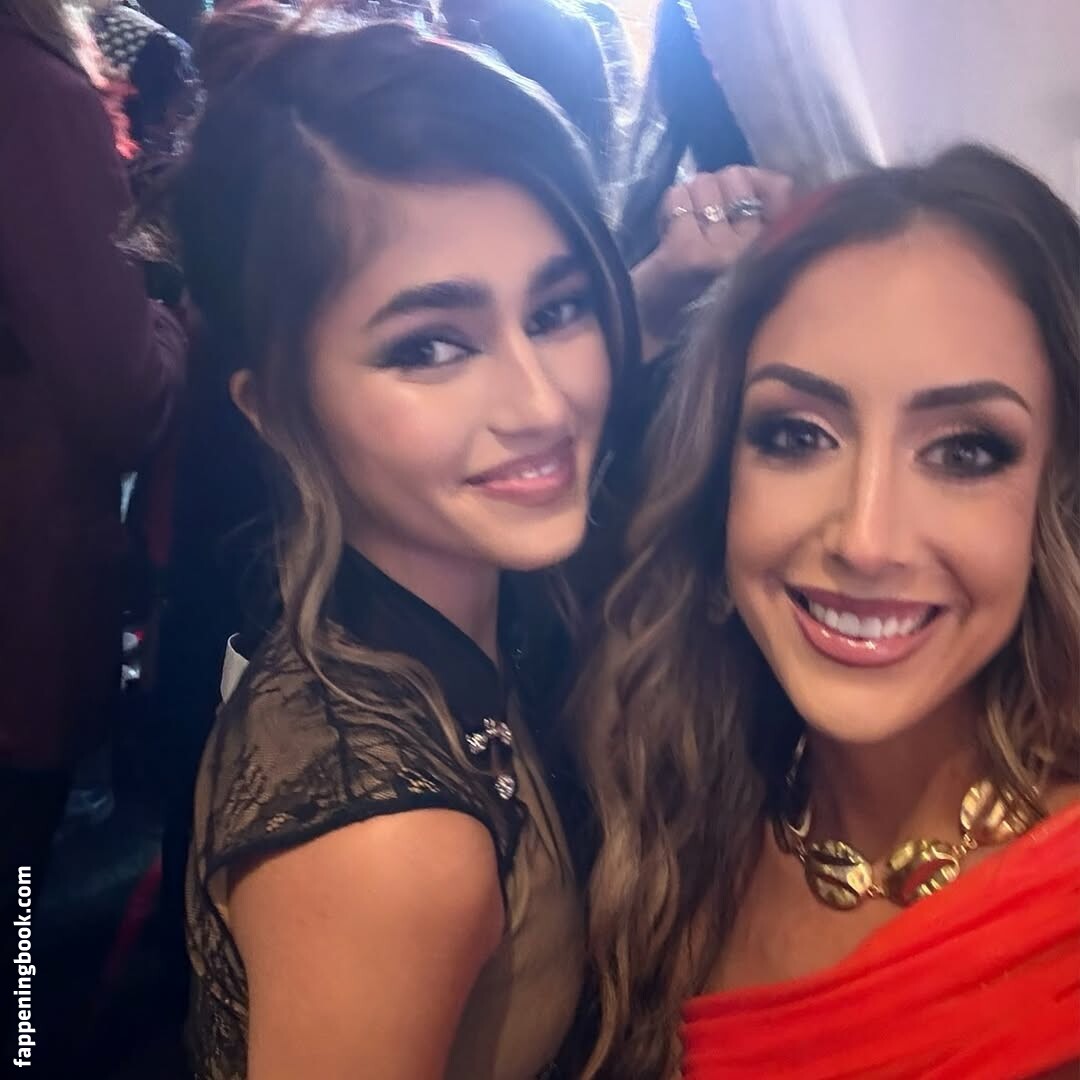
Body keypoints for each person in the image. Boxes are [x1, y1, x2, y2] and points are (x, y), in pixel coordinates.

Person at [162, 4, 644, 1076]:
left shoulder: (435, 615)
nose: (542, 404)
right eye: (430, 347)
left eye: (558, 310)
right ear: (273, 407)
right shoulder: (393, 846)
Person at [577, 145, 1080, 1079]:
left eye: (966, 452)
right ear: (717, 485)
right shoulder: (677, 814)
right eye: (796, 435)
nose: (866, 539)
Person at [0, 0, 184, 900]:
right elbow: (124, 393)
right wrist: (172, 320)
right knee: (19, 911)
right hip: (19, 581)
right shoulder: (30, 90)